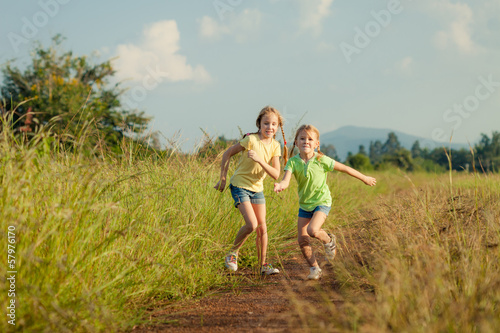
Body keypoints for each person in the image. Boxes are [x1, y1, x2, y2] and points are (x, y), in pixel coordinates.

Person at [274, 124, 376, 280]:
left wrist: (364, 178)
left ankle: (329, 240)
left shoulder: (321, 160)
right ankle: (315, 268)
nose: (306, 142)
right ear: (296, 142)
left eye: (310, 139)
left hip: (322, 202)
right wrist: (281, 185)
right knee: (302, 240)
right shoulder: (293, 162)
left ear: (317, 144)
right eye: (302, 138)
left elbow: (345, 169)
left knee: (313, 231)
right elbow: (286, 180)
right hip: (305, 205)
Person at [214, 106, 288, 275]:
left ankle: (263, 266)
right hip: (240, 185)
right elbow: (227, 154)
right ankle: (232, 253)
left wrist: (260, 160)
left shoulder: (275, 146)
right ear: (259, 124)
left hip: (257, 189)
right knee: (252, 225)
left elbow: (276, 174)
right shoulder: (251, 140)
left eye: (274, 124)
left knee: (262, 228)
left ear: (278, 127)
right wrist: (223, 179)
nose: (270, 127)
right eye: (266, 123)